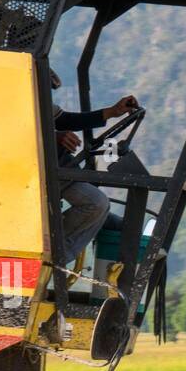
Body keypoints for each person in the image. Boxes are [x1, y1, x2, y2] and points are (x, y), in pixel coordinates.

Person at [50, 70, 141, 264]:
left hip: (62, 167)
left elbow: (65, 120)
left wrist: (111, 112)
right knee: (96, 204)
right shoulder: (12, 99)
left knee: (116, 224)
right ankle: (52, 256)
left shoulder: (34, 96)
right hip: (46, 171)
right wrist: (53, 137)